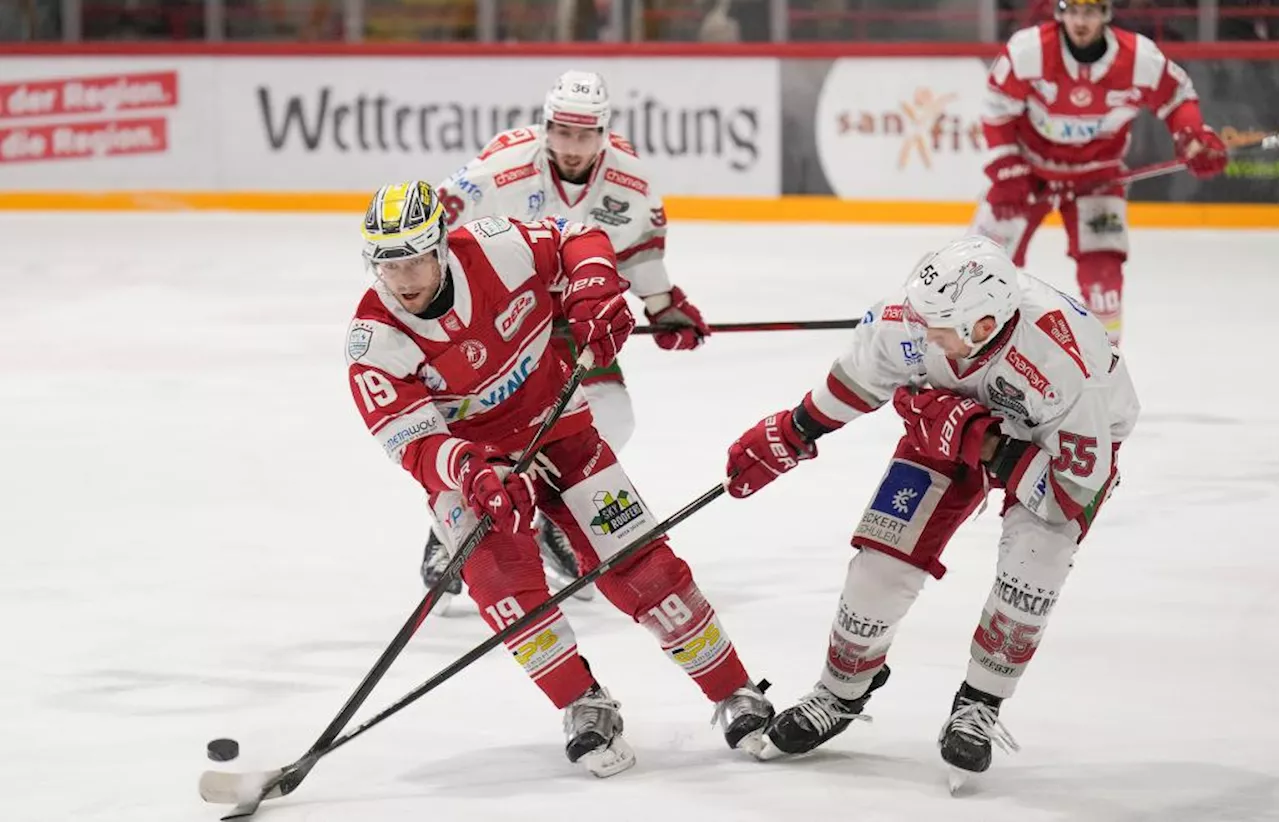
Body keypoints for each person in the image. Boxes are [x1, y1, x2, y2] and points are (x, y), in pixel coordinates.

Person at [346, 181, 772, 775]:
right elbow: (412, 442)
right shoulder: (374, 341)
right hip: (477, 469)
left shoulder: (495, 246)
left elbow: (578, 237)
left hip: (559, 425)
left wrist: (594, 286)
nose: (406, 279)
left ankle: (735, 691)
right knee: (504, 591)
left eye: (416, 258)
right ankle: (581, 702)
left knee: (642, 564)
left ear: (441, 245)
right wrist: (474, 472)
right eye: (390, 266)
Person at [723, 235, 1139, 786]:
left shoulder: (1065, 365)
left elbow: (1073, 492)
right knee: (879, 564)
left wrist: (979, 439)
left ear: (984, 326)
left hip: (1056, 451)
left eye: (935, 328)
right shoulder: (916, 316)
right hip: (950, 420)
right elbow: (860, 376)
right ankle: (840, 691)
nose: (919, 334)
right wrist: (798, 428)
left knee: (1033, 566)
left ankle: (981, 703)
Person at [421, 69, 712, 604]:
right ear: (547, 125)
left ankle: (547, 506)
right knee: (491, 419)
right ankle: (457, 512)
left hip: (574, 317)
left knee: (612, 414)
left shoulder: (631, 179)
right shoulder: (502, 167)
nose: (572, 147)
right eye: (562, 132)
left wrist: (663, 304)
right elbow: (436, 232)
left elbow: (641, 248)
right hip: (504, 317)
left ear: (604, 133)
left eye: (584, 135)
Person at [970, 0, 1227, 344]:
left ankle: (1104, 368)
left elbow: (1177, 96)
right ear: (1060, 12)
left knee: (1103, 283)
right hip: (1029, 175)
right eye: (1073, 10)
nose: (1080, 20)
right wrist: (1006, 173)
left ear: (1105, 13)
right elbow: (996, 107)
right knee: (977, 266)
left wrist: (1193, 137)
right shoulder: (1029, 51)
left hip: (1097, 180)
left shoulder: (1138, 58)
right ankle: (964, 355)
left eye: (1090, 11)